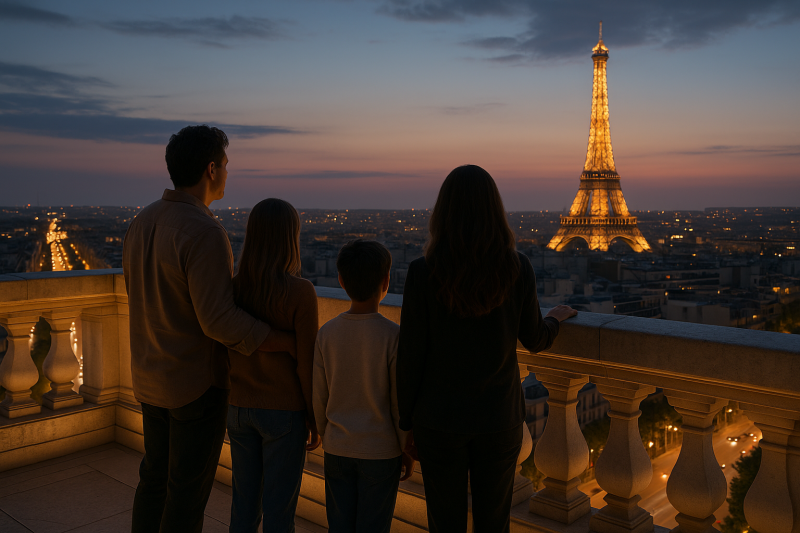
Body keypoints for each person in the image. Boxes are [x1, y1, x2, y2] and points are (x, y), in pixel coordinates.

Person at [123, 125, 295, 533]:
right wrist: (282, 340)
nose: (228, 174)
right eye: (226, 165)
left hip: (148, 376)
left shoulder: (142, 221)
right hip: (193, 385)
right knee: (186, 493)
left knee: (153, 480)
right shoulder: (204, 231)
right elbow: (219, 320)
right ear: (211, 169)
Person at [397, 165, 577, 533]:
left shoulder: (422, 272)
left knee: (443, 522)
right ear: (495, 210)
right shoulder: (517, 267)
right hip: (498, 417)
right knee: (494, 522)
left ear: (442, 211)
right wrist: (554, 319)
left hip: (439, 418)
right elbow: (535, 340)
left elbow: (410, 356)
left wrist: (406, 423)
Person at [226, 198, 321, 532]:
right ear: (290, 237)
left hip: (238, 406)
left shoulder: (234, 288)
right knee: (280, 509)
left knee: (243, 505)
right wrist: (313, 416)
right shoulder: (301, 292)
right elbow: (306, 364)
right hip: (283, 411)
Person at [313, 240, 415, 533]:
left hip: (337, 446)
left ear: (341, 281)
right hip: (380, 452)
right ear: (386, 282)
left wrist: (325, 432)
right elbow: (398, 403)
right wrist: (405, 447)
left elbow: (319, 395)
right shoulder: (393, 336)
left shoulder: (327, 333)